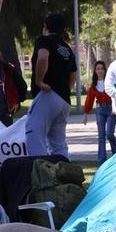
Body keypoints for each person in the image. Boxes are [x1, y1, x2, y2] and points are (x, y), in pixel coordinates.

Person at [25, 12, 77, 157]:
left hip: (48, 94)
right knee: (58, 144)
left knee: (34, 133)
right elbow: (73, 74)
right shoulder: (67, 49)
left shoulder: (44, 40)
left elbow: (43, 57)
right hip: (64, 99)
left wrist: (39, 81)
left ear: (46, 27)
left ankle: (40, 169)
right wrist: (65, 90)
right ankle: (64, 169)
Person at [81, 60, 116, 163]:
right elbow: (89, 100)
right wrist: (85, 114)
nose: (100, 71)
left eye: (102, 69)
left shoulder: (109, 82)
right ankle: (101, 160)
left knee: (109, 134)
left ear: (105, 70)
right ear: (95, 71)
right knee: (101, 136)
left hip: (111, 110)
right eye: (98, 69)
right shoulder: (94, 85)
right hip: (100, 110)